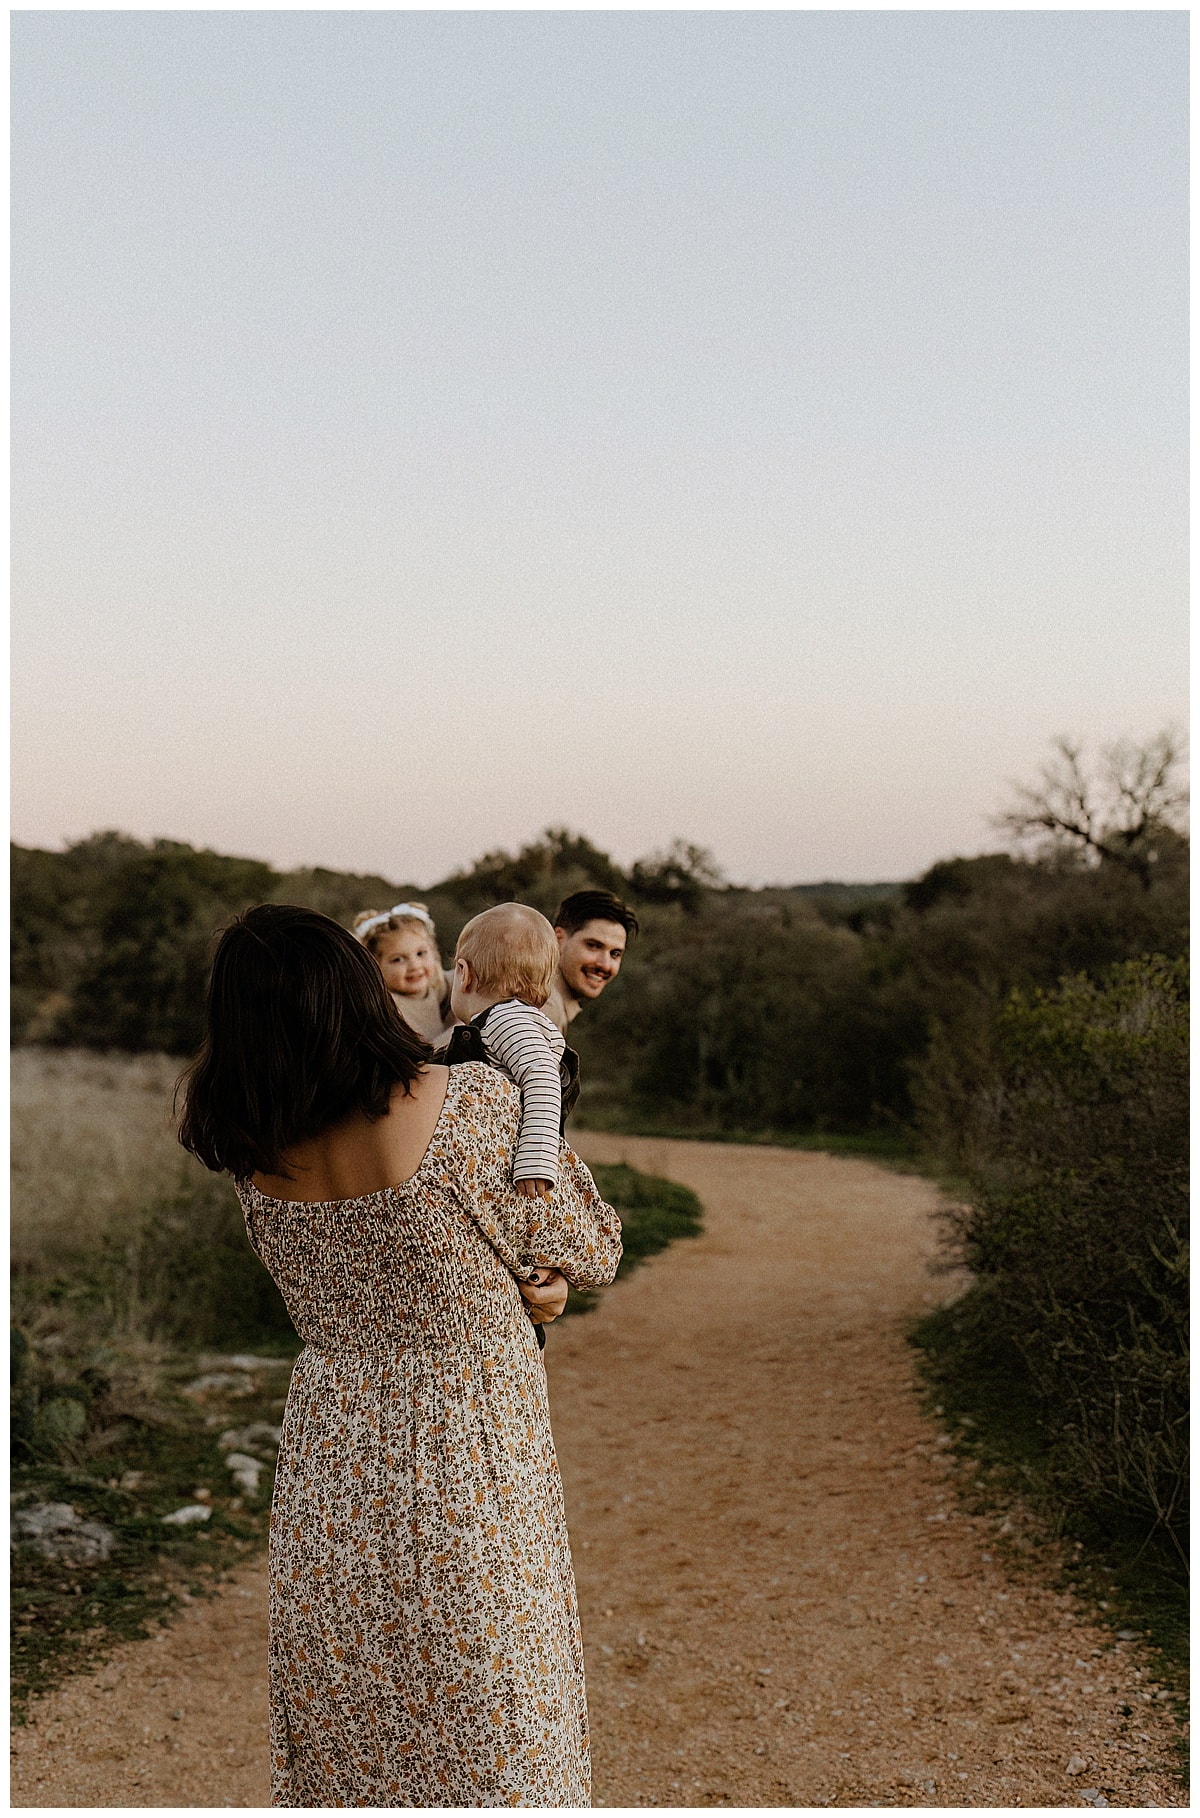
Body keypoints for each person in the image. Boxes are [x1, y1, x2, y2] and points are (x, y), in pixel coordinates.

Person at [177, 904, 622, 1808]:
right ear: (354, 990)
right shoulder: (474, 1105)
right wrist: (541, 1286)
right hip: (470, 1448)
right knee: (500, 1709)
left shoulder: (253, 1158)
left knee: (356, 1717)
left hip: (332, 1460)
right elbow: (592, 1243)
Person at [447, 903, 574, 1200]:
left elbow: (542, 1076)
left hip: (516, 1172)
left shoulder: (506, 1018)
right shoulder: (508, 1019)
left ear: (464, 974)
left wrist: (536, 1159)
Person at [352, 902, 456, 1046]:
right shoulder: (386, 1007)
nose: (414, 966)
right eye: (398, 960)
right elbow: (417, 1058)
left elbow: (459, 981)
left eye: (421, 953)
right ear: (374, 966)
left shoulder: (434, 984)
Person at [543, 889, 639, 1038]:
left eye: (615, 954)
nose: (605, 965)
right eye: (593, 945)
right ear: (558, 939)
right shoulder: (545, 1010)